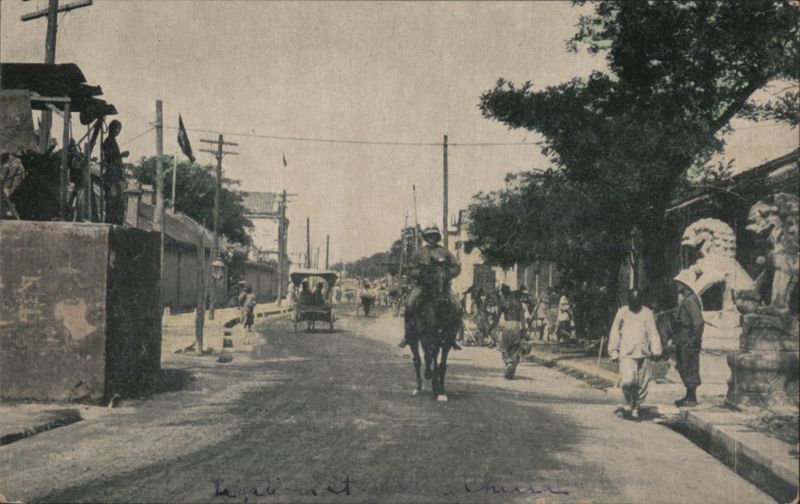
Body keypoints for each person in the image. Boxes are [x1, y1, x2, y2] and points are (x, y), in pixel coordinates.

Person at [398, 224, 462, 349]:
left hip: (442, 286)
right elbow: (410, 269)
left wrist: (447, 274)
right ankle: (407, 336)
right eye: (429, 236)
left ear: (437, 237)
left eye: (434, 235)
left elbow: (456, 267)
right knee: (409, 304)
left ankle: (452, 338)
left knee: (458, 306)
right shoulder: (419, 253)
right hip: (422, 286)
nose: (431, 238)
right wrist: (420, 274)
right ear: (426, 237)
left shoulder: (445, 252)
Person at [608, 289, 663, 420]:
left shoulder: (647, 313)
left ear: (641, 301)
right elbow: (614, 332)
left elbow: (653, 333)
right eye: (632, 301)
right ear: (628, 301)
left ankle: (635, 408)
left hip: (643, 353)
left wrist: (656, 350)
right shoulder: (622, 312)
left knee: (642, 384)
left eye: (636, 301)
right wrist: (613, 351)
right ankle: (629, 402)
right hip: (626, 353)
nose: (634, 304)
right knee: (628, 381)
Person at [673, 272, 705, 407]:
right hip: (682, 336)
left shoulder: (691, 299)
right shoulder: (685, 299)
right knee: (682, 365)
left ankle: (691, 397)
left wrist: (694, 339)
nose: (677, 285)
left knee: (689, 366)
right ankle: (689, 395)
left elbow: (699, 322)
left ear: (685, 284)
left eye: (679, 283)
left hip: (688, 336)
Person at [489, 285, 531, 379]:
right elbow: (522, 318)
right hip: (516, 326)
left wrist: (490, 328)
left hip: (507, 326)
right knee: (515, 348)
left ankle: (508, 363)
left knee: (504, 347)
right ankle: (512, 364)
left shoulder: (503, 302)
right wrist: (524, 330)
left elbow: (496, 318)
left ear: (503, 293)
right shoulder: (518, 303)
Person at [101, 120, 129, 225]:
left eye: (119, 129)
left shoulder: (112, 140)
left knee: (116, 199)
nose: (118, 131)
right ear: (111, 128)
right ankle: (111, 220)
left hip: (115, 174)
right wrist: (121, 155)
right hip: (112, 175)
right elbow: (109, 157)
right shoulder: (109, 141)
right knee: (113, 199)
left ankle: (114, 220)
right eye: (116, 128)